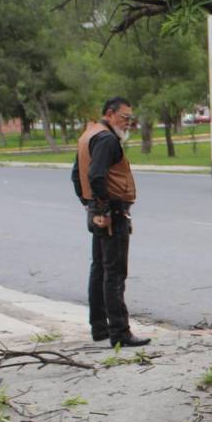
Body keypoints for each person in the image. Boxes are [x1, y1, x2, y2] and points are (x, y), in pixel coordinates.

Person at [71, 97, 150, 347]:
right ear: (110, 113)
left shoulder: (89, 134)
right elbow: (95, 175)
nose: (128, 123)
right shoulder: (106, 139)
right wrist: (103, 209)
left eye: (130, 119)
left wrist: (89, 205)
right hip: (111, 212)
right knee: (114, 273)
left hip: (98, 210)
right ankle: (120, 332)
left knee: (100, 270)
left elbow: (76, 176)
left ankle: (99, 327)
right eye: (125, 118)